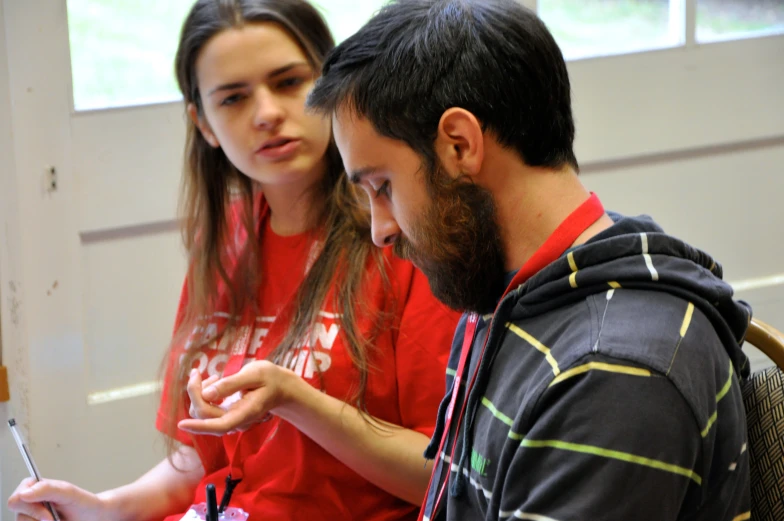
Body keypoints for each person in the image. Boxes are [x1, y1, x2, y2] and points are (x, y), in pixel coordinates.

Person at [8, 1, 460, 520]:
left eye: (290, 82)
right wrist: (103, 509)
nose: (266, 113)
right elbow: (200, 458)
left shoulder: (401, 239)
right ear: (202, 122)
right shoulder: (226, 238)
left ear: (332, 84)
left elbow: (443, 475)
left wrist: (295, 399)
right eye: (234, 97)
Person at [306, 0, 752, 520]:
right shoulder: (511, 295)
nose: (381, 231)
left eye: (382, 187)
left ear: (459, 145)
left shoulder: (611, 378)